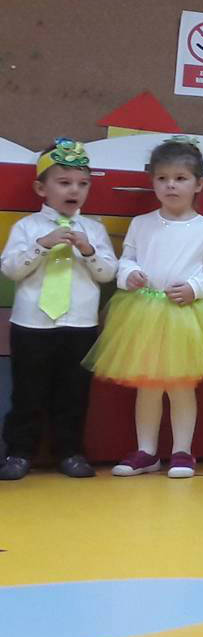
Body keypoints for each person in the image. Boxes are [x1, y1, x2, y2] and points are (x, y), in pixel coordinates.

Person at [86, 137, 203, 479]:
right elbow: (127, 259)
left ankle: (182, 452)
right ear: (153, 182)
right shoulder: (142, 223)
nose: (170, 185)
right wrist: (129, 274)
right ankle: (146, 452)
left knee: (181, 386)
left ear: (199, 184)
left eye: (180, 178)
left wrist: (195, 288)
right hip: (143, 312)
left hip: (186, 316)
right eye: (162, 178)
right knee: (147, 385)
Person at [0, 139, 117, 479]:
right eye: (64, 182)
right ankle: (19, 452)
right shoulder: (27, 228)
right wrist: (41, 246)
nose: (74, 190)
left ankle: (70, 452)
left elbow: (107, 273)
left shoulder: (94, 230)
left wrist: (89, 252)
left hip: (79, 326)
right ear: (41, 188)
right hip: (31, 326)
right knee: (27, 393)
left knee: (74, 393)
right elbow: (11, 270)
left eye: (83, 184)